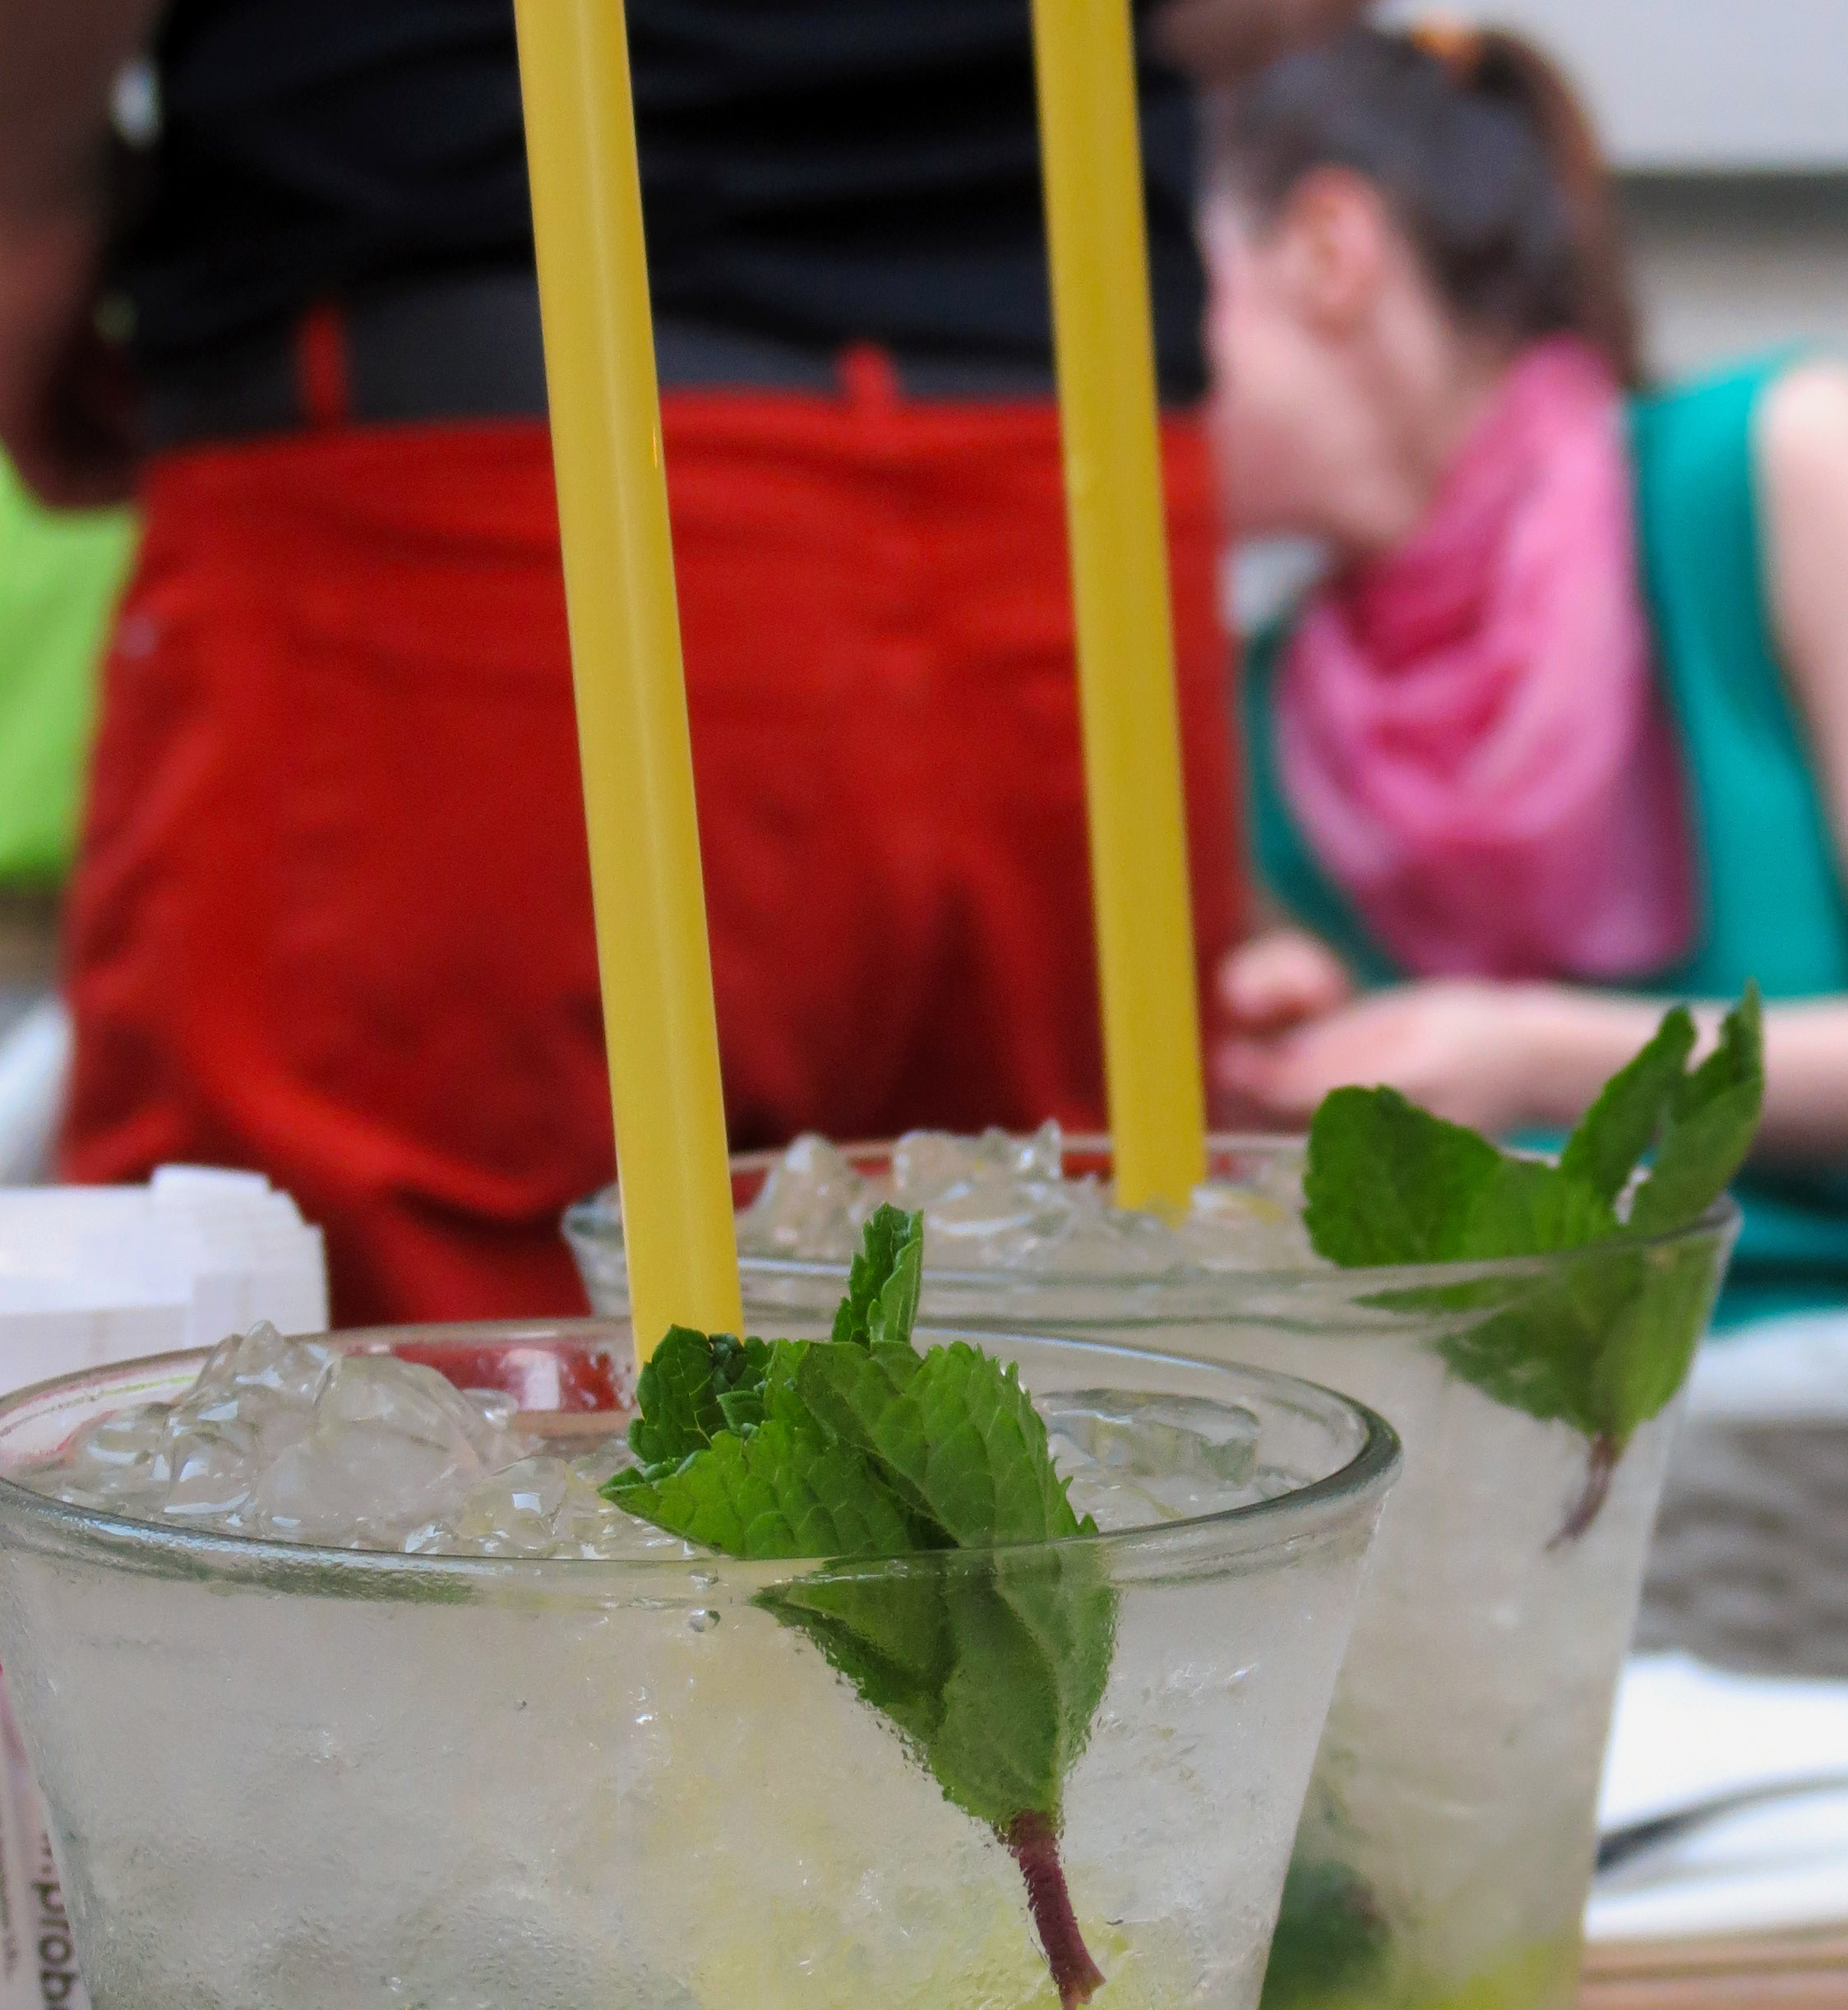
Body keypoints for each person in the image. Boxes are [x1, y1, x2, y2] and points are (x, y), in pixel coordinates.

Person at [0, 1, 1327, 1328]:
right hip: (1057, 469)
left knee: (358, 1395)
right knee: (1065, 1372)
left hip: (474, 465)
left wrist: (25, 212)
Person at [1204, 25, 1848, 1320]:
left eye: (1167, 304)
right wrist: (1314, 1064)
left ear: (1330, 251)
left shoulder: (1787, 465)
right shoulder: (1259, 703)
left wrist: (1531, 1055)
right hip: (1541, 1391)